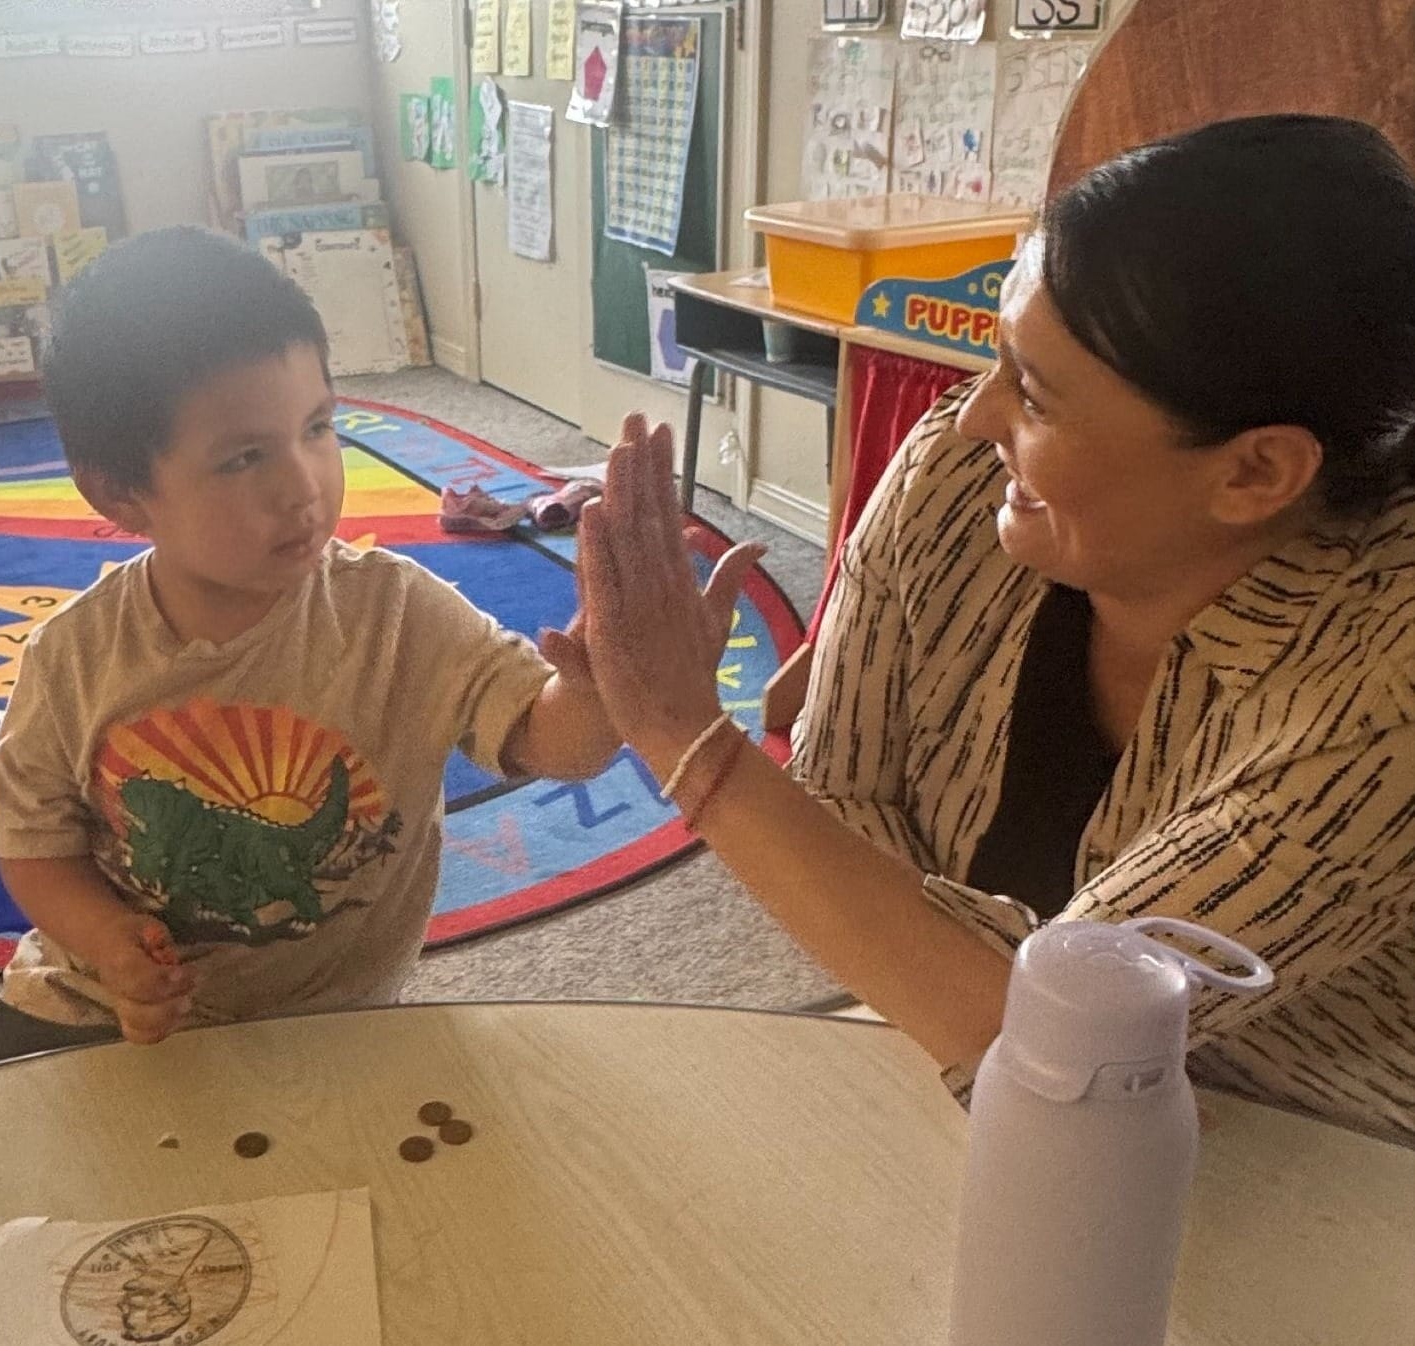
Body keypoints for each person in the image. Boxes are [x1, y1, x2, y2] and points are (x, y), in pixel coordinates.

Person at [576, 114, 1415, 1144]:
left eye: (1038, 394)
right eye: (1000, 357)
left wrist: (685, 736)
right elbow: (839, 789)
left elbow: (1060, 1042)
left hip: (1322, 1177)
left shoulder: (1385, 689)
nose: (975, 416)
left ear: (1254, 472)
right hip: (970, 1104)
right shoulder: (961, 476)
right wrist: (957, 984)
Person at [0, 226, 645, 1066]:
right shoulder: (76, 658)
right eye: (244, 456)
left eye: (318, 427)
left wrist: (612, 677)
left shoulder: (398, 614)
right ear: (122, 493)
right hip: (96, 1014)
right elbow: (35, 846)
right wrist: (108, 941)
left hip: (328, 1033)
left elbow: (554, 743)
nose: (302, 485)